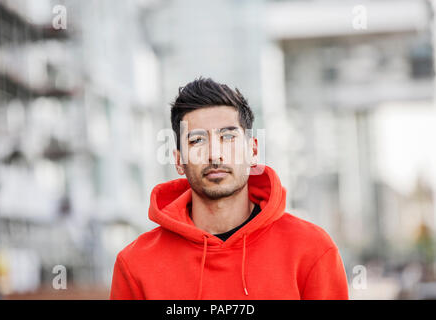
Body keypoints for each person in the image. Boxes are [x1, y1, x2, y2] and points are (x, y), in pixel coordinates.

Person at [110, 77, 349, 300]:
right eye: (197, 141)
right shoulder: (136, 264)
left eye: (228, 137)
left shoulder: (312, 250)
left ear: (253, 151)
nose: (215, 154)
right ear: (178, 161)